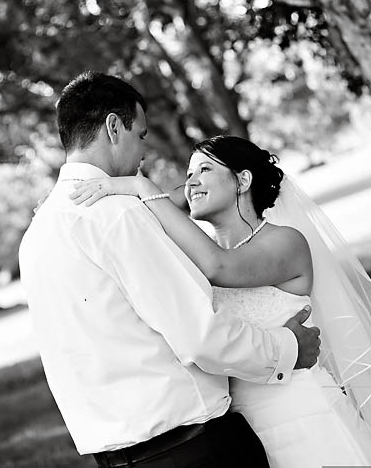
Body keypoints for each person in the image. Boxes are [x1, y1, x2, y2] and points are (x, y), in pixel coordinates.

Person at [19, 72, 322, 468]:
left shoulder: (37, 232)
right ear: (114, 127)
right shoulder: (120, 213)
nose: (143, 153)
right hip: (192, 450)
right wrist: (289, 349)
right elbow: (199, 335)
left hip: (114, 457)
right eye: (140, 135)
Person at [70, 135, 371, 468]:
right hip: (238, 430)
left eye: (205, 169)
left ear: (243, 180)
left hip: (301, 416)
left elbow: (219, 267)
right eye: (189, 174)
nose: (191, 182)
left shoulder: (286, 242)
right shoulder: (194, 258)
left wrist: (141, 187)